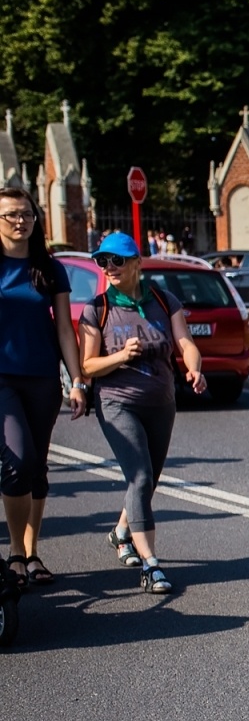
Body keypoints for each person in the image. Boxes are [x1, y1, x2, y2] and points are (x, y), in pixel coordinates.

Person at [78, 232, 206, 595]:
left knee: (147, 479)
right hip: (116, 402)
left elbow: (186, 344)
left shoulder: (164, 302)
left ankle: (121, 532)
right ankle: (151, 564)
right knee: (139, 475)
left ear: (137, 263)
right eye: (102, 261)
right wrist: (120, 356)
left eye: (116, 260)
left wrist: (194, 368)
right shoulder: (97, 308)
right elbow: (88, 365)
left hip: (161, 402)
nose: (109, 268)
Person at [0, 187, 89, 588]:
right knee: (16, 463)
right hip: (2, 380)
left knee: (36, 468)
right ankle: (16, 552)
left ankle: (33, 554)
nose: (21, 221)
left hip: (42, 379)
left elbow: (65, 330)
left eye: (27, 215)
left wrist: (77, 381)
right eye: (11, 215)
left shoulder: (50, 268)